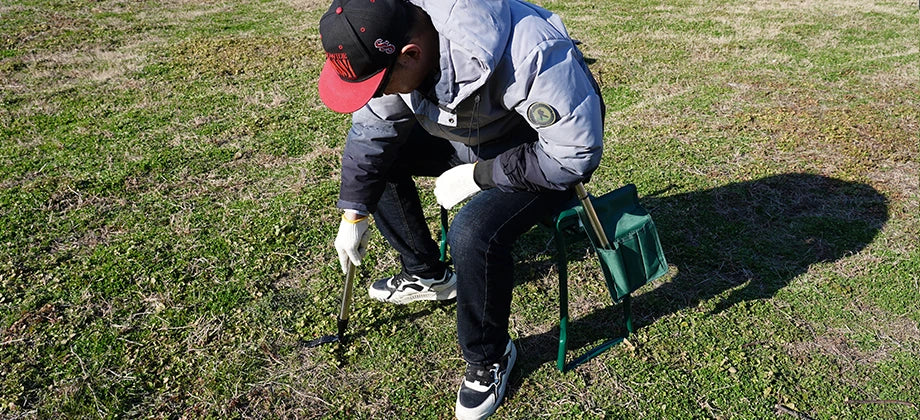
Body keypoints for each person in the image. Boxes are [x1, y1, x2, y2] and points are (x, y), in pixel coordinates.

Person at [317, 0, 604, 418]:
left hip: (539, 159)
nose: (377, 96)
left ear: (410, 55)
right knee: (382, 165)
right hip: (465, 138)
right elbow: (374, 131)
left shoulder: (531, 50)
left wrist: (478, 177)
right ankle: (426, 274)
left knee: (474, 233)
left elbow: (573, 156)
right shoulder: (399, 46)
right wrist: (354, 212)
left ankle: (490, 356)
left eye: (378, 86)